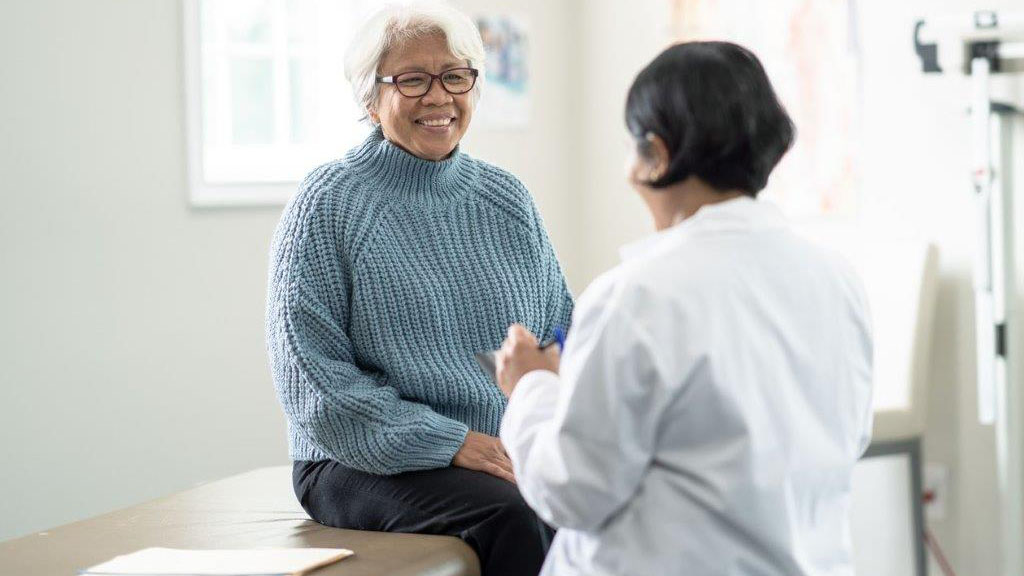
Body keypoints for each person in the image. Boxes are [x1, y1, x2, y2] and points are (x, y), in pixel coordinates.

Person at [495, 41, 874, 576]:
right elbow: (848, 439)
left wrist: (532, 387)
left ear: (657, 154)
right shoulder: (837, 278)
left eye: (634, 148)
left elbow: (572, 492)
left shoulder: (636, 295)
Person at [265, 4, 572, 575]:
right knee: (517, 515)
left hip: (500, 447)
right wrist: (449, 441)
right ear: (369, 97)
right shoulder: (328, 205)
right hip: (355, 457)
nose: (439, 97)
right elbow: (316, 388)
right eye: (412, 80)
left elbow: (560, 331)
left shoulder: (506, 198)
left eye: (455, 77)